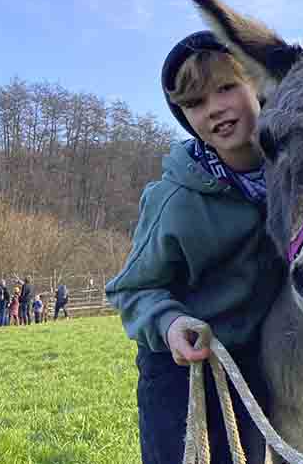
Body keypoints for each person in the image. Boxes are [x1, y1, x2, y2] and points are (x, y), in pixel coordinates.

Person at [105, 31, 286, 464]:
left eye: (227, 88)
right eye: (195, 103)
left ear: (257, 86)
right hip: (180, 372)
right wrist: (169, 323)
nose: (215, 109)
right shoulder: (175, 200)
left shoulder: (294, 178)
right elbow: (132, 290)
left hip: (255, 370)